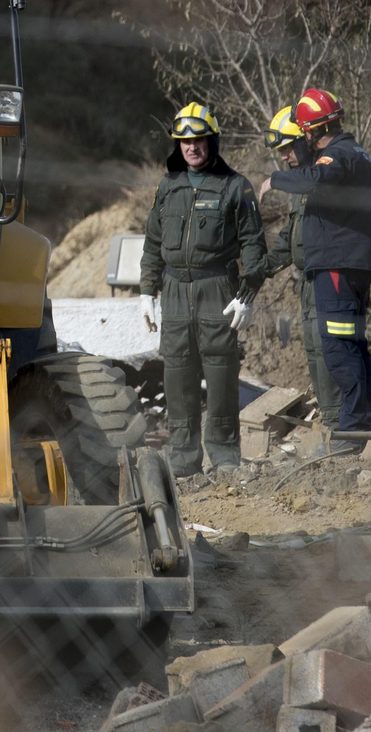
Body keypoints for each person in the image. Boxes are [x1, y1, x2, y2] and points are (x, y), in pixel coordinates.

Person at [139, 103, 268, 477]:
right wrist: (146, 292)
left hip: (217, 289)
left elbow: (253, 244)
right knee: (178, 374)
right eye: (185, 142)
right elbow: (152, 242)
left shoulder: (236, 186)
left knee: (221, 374)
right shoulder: (168, 186)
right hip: (174, 290)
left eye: (198, 140)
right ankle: (183, 460)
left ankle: (225, 457)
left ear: (212, 142)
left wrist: (247, 294)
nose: (191, 148)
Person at [257, 89, 371, 435]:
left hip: (338, 266)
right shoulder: (358, 154)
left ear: (311, 131)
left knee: (338, 348)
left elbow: (317, 177)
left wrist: (274, 180)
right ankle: (361, 423)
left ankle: (352, 429)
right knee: (353, 346)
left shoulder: (337, 155)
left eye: (303, 132)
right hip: (350, 264)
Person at [258, 105, 342, 428]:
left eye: (288, 148)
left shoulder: (323, 175)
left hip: (329, 279)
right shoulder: (300, 188)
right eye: (280, 151)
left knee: (330, 352)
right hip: (308, 283)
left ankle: (342, 431)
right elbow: (292, 235)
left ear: (306, 140)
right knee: (314, 353)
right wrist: (262, 269)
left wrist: (277, 181)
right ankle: (331, 427)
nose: (284, 157)